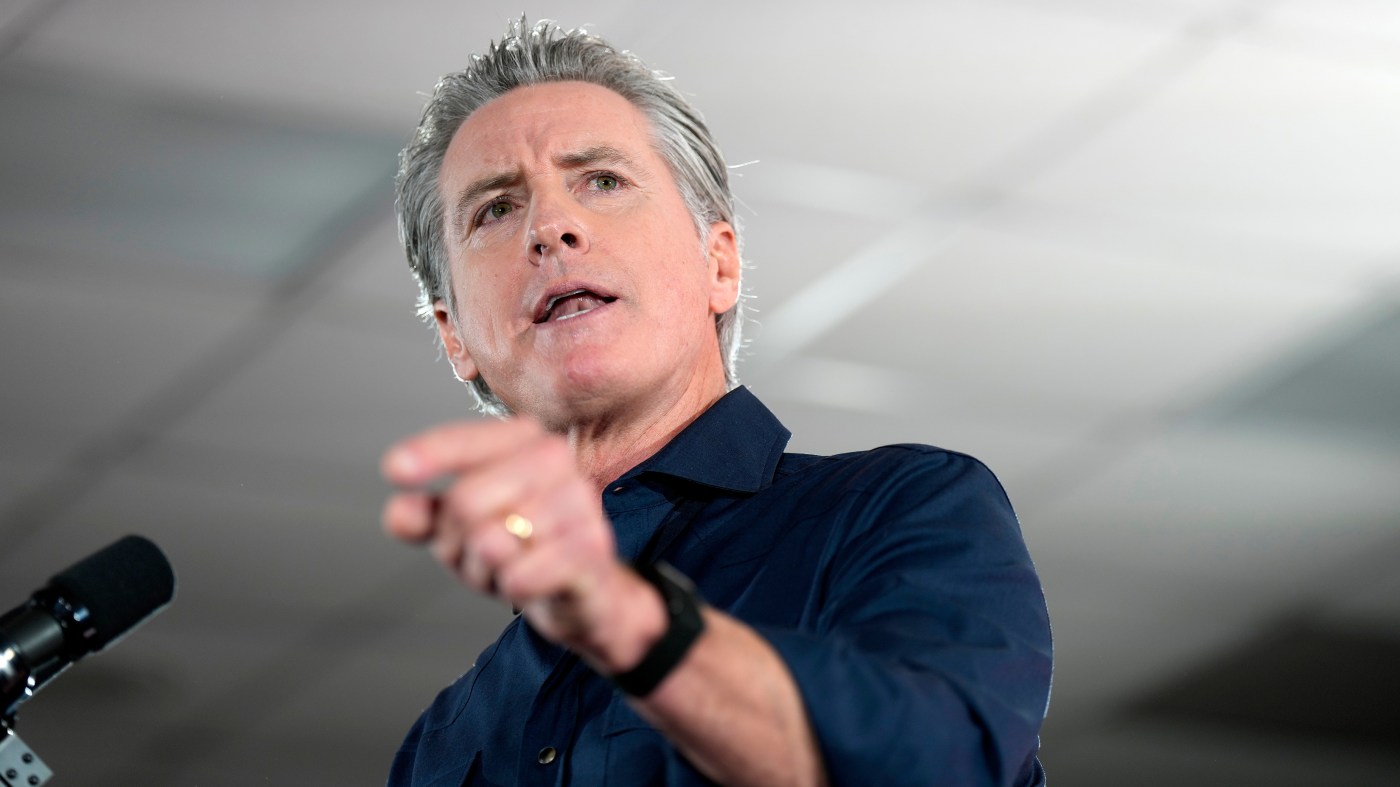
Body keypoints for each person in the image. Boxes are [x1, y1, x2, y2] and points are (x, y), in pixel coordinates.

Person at [380, 18, 1051, 787]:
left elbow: (943, 765)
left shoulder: (899, 508)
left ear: (719, 264)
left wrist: (630, 621)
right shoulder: (440, 744)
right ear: (455, 335)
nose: (549, 227)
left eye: (602, 180)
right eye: (495, 208)